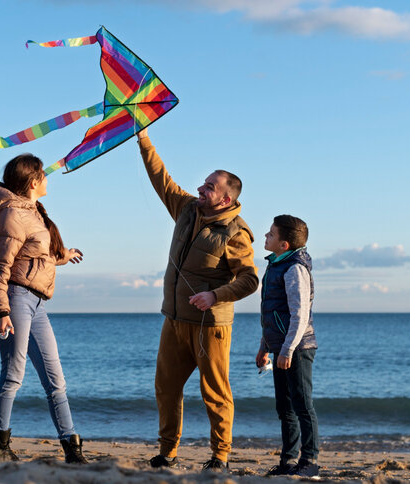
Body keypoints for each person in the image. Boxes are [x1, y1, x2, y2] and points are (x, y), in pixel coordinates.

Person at [136, 128, 259, 472]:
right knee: (166, 388)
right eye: (203, 184)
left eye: (209, 187)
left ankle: (220, 456)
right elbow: (162, 179)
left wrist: (215, 295)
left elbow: (250, 279)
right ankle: (167, 452)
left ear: (225, 198)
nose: (201, 189)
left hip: (210, 326)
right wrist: (144, 139)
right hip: (174, 320)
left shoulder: (235, 233)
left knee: (215, 393)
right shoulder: (188, 209)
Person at [0, 153, 88, 464]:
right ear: (33, 182)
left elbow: (34, 259)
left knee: (56, 379)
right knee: (13, 374)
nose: (47, 179)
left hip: (38, 303)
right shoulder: (13, 215)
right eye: (44, 174)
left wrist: (62, 257)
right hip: (16, 300)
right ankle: (0, 445)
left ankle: (72, 447)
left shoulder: (34, 212)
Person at [255, 215, 319, 479]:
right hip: (280, 347)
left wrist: (288, 350)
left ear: (284, 243)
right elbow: (272, 313)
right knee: (285, 407)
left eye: (270, 234)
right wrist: (265, 347)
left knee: (302, 405)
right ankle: (289, 461)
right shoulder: (276, 265)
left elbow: (299, 315)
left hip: (298, 349)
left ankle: (310, 461)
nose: (265, 237)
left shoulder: (295, 269)